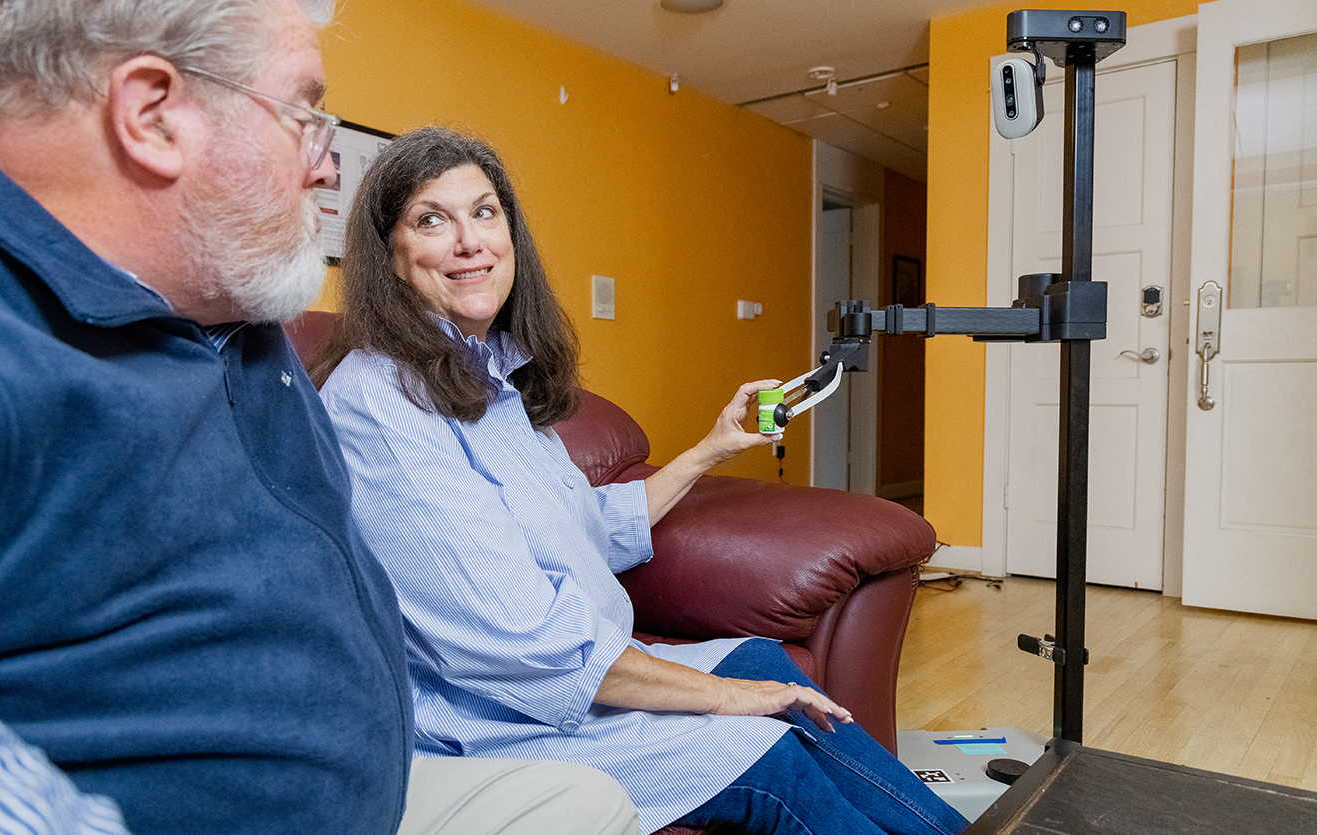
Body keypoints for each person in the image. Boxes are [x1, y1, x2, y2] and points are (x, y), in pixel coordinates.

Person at [0, 2, 639, 834]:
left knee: (592, 805)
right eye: (304, 115)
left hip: (380, 782)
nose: (329, 168)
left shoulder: (213, 274)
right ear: (151, 115)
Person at [312, 126, 971, 835]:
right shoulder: (380, 402)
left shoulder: (492, 373)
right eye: (431, 219)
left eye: (484, 211)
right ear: (391, 255)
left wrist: (711, 448)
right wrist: (722, 698)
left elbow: (585, 523)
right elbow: (522, 644)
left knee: (756, 658)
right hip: (501, 716)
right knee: (760, 743)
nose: (470, 240)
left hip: (582, 677)